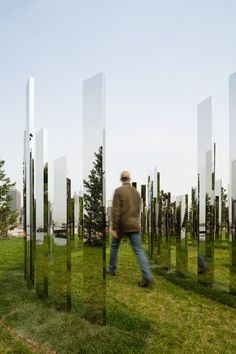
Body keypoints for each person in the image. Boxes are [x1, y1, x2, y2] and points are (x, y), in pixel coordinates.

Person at [106, 170, 153, 287]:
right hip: (134, 225)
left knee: (114, 246)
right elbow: (138, 210)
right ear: (129, 178)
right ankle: (147, 275)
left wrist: (114, 227)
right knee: (138, 250)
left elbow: (116, 210)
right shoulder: (136, 193)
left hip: (122, 225)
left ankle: (111, 269)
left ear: (121, 179)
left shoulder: (119, 191)